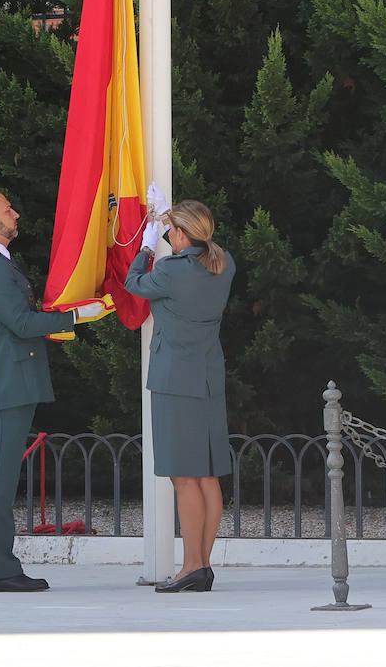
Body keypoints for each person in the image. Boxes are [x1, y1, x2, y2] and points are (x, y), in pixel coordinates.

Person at [0, 189, 105, 593]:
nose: (16, 213)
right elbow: (21, 324)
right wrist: (75, 316)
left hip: (8, 381)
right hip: (5, 384)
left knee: (0, 478)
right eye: (8, 209)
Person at [126, 198, 235, 593]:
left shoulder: (171, 271)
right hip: (208, 377)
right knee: (206, 475)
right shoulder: (224, 264)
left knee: (184, 477)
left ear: (182, 233)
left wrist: (145, 247)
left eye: (172, 228)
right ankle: (201, 566)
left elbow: (134, 284)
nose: (169, 234)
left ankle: (191, 566)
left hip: (175, 381)